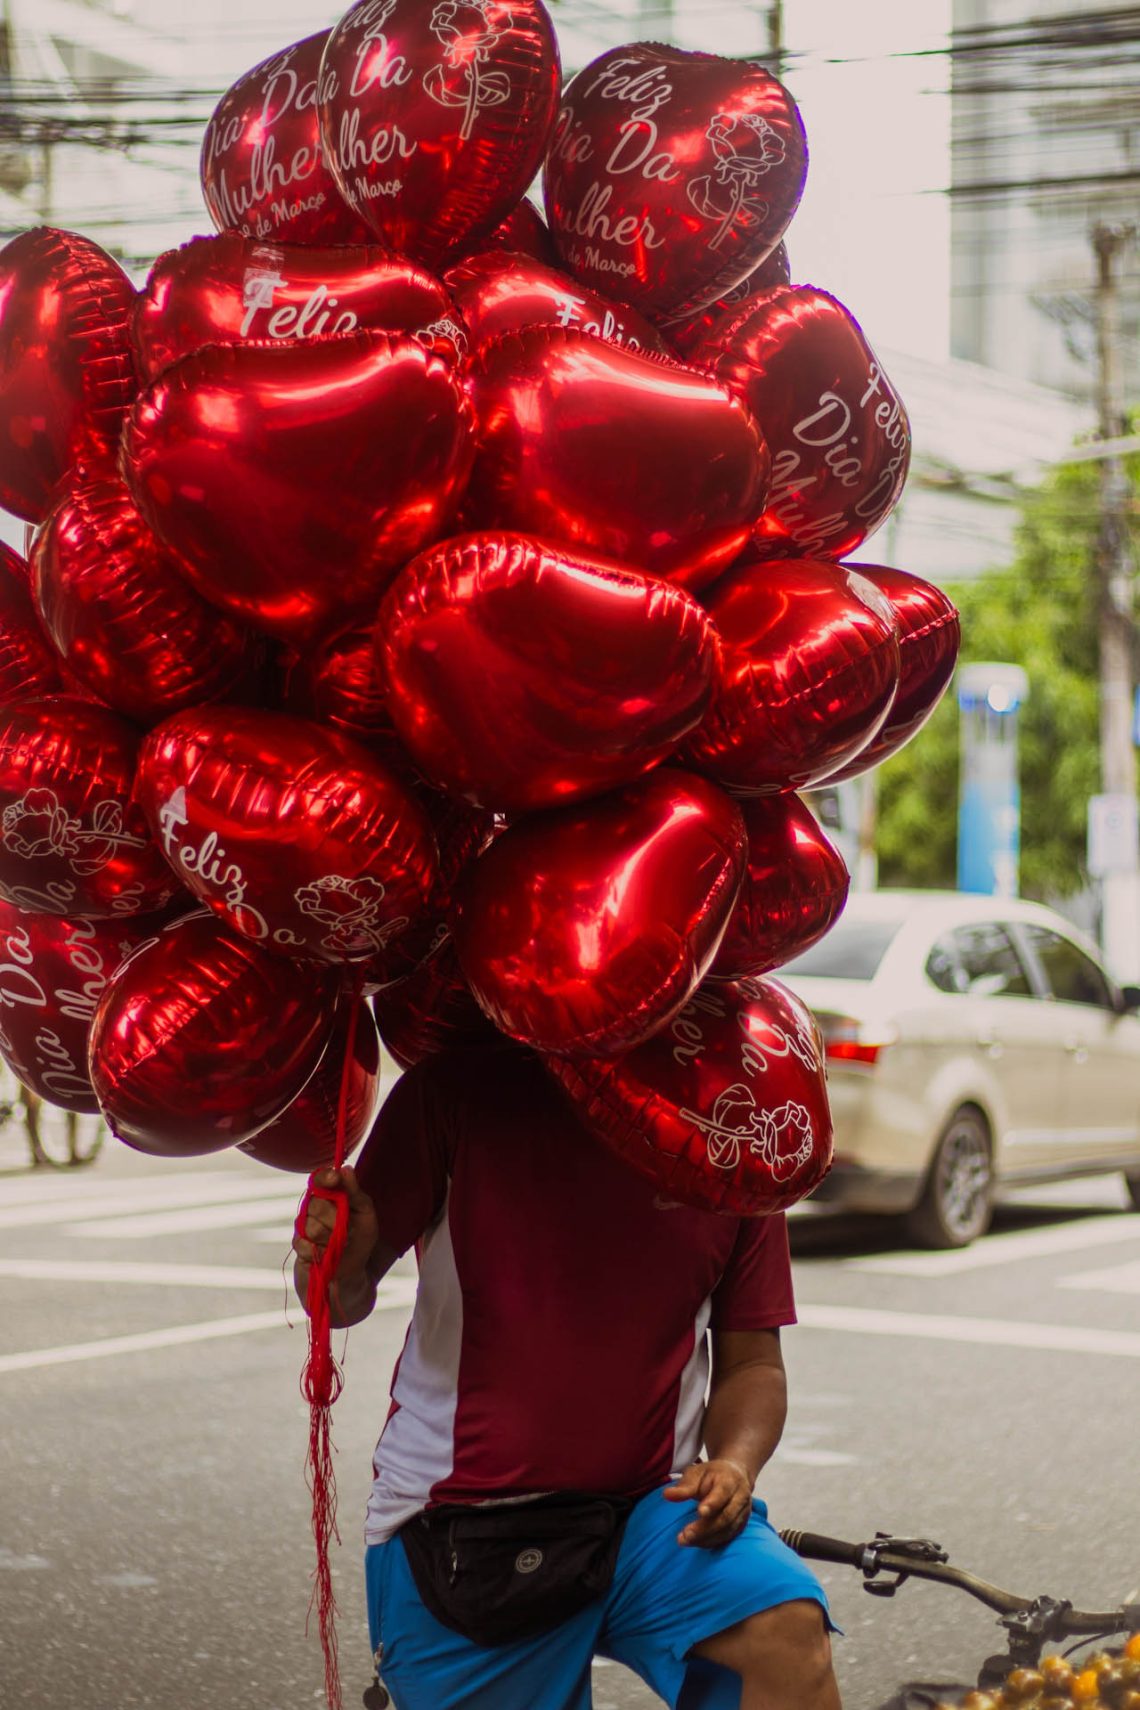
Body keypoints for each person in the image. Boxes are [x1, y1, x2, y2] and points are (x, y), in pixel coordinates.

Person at [293, 1040, 841, 1710]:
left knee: (784, 1632)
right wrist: (329, 1258)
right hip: (466, 1520)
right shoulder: (458, 1091)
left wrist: (734, 1464)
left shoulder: (735, 1129)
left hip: (652, 1511)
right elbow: (340, 1299)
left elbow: (753, 1360)